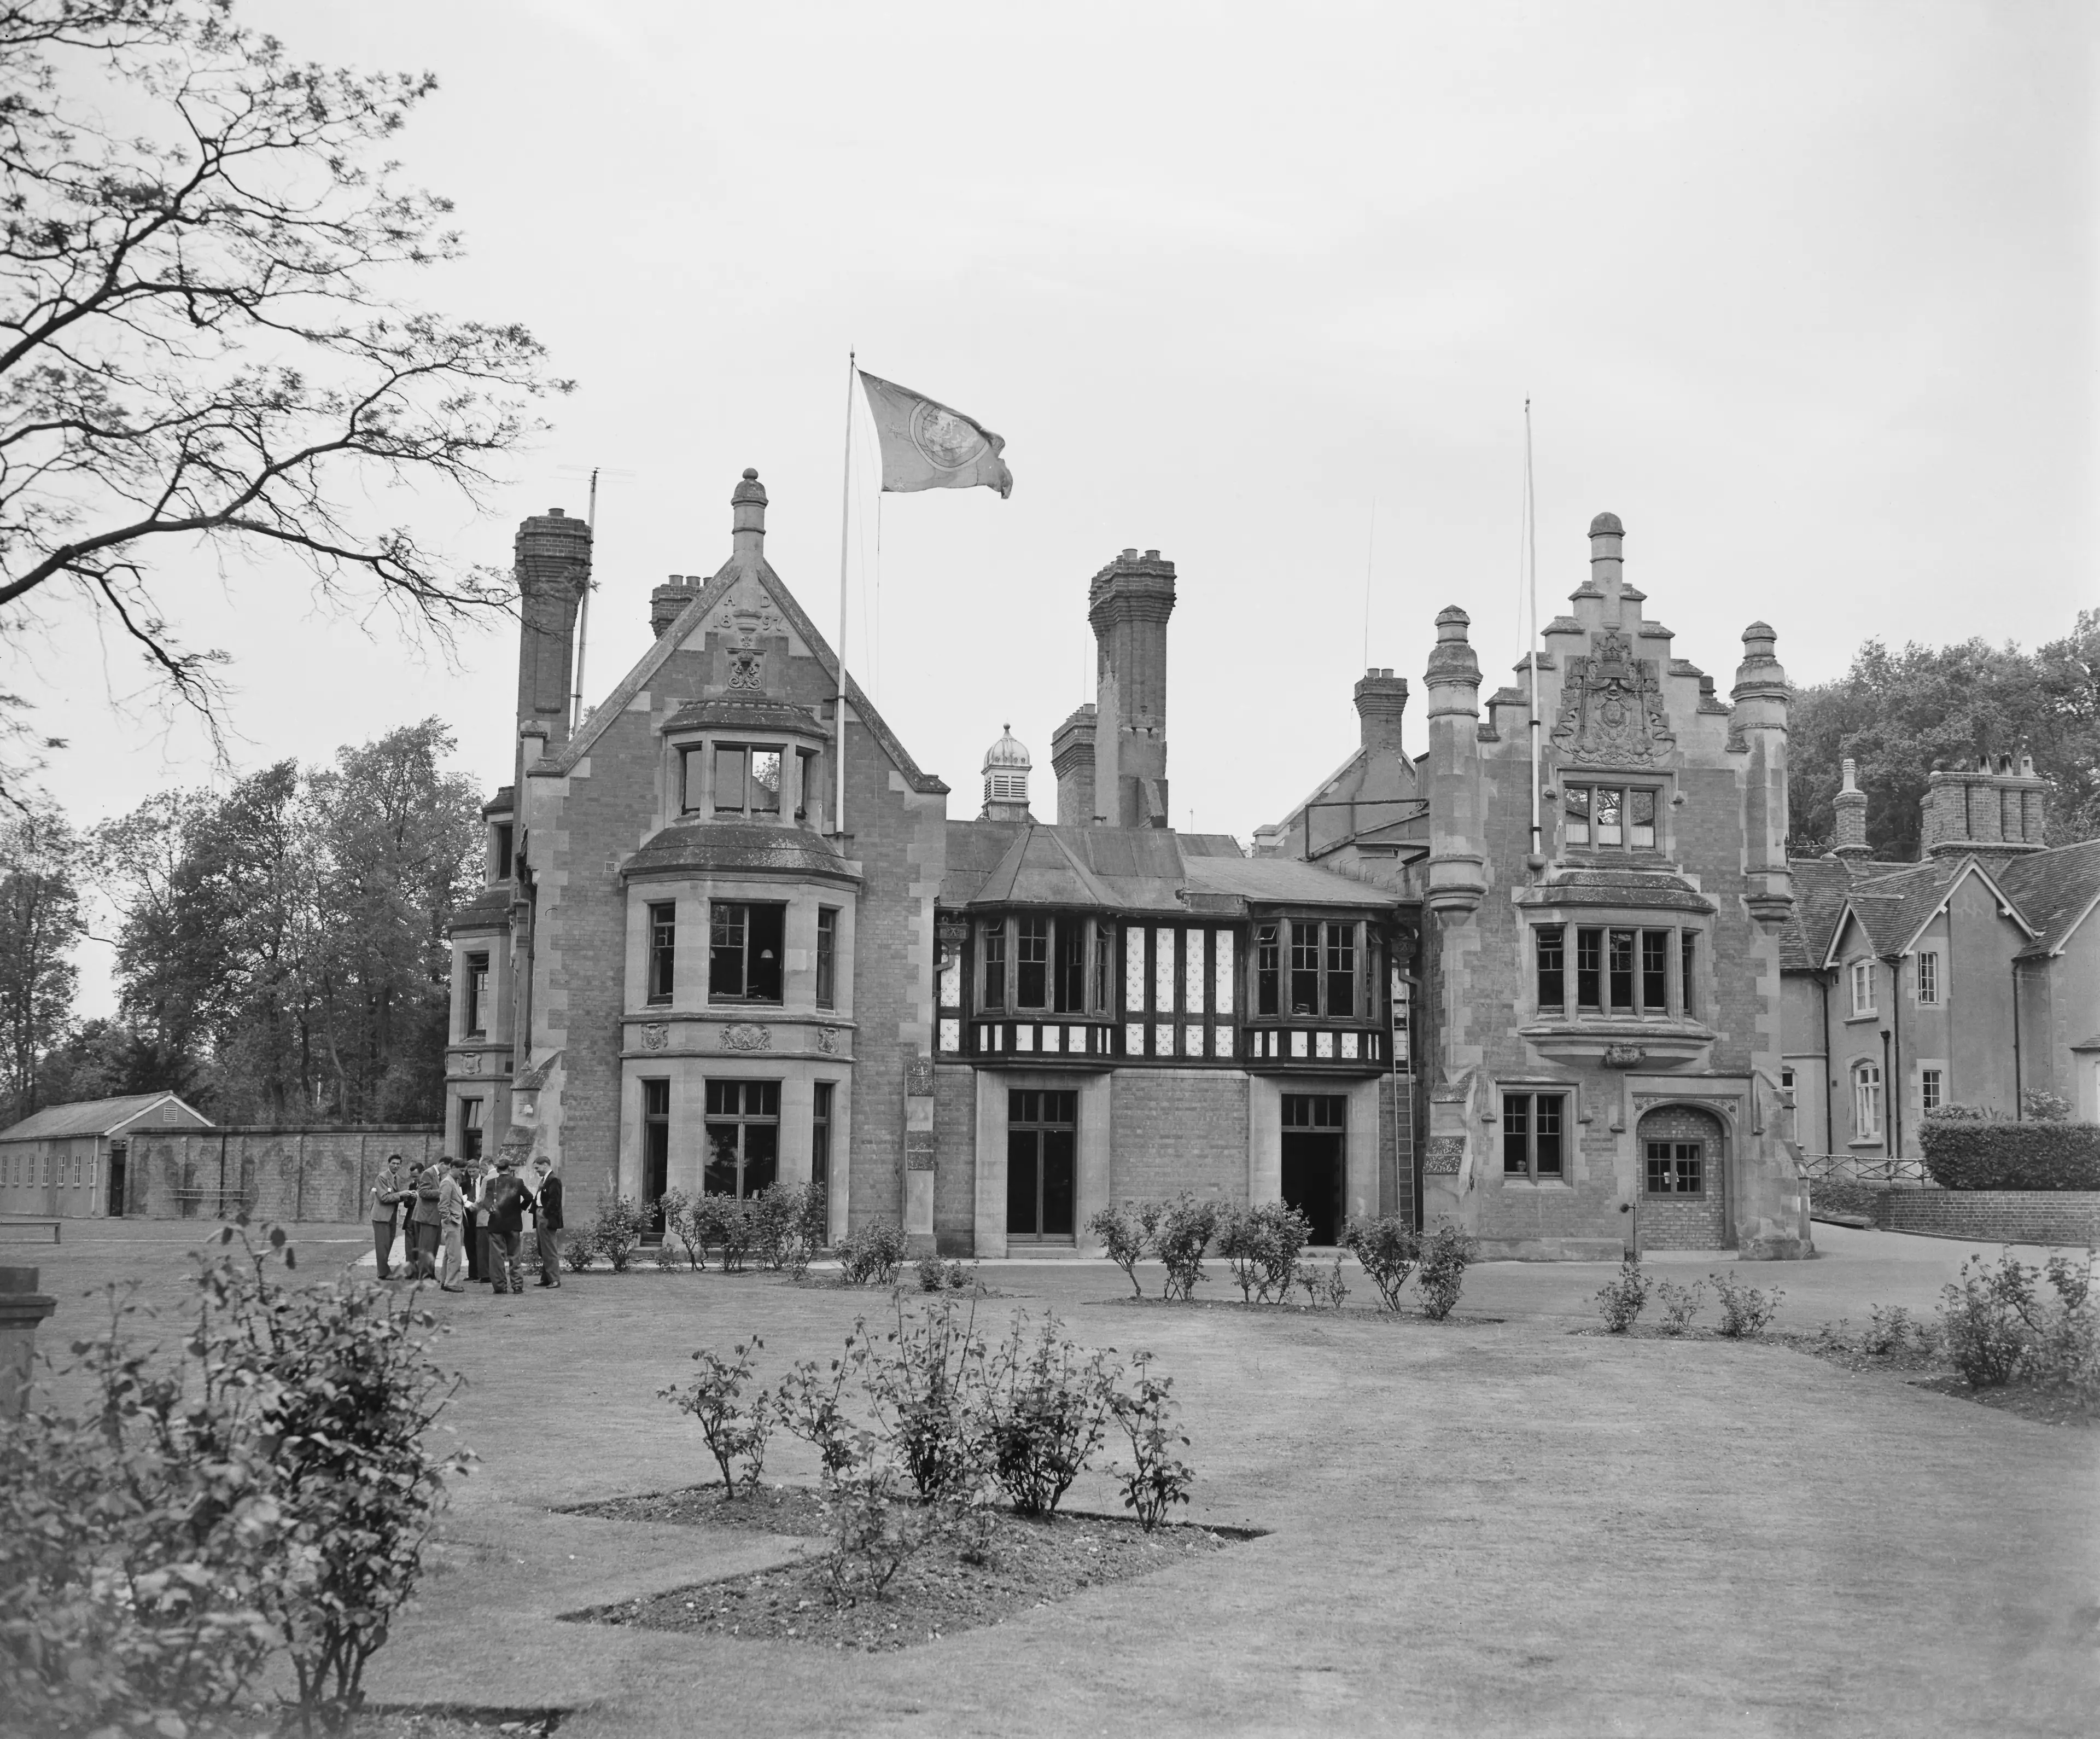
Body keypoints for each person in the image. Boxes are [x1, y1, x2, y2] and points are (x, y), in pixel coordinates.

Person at [484, 1157, 529, 1295]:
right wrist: (520, 1208)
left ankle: (500, 1287)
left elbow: (486, 1202)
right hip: (514, 1223)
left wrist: (490, 1208)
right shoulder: (518, 1182)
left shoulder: (492, 1182)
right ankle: (517, 1286)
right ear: (509, 1169)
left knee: (497, 1257)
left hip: (496, 1223)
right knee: (514, 1256)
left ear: (497, 1170)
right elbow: (529, 1197)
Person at [368, 1154, 407, 1278]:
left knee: (388, 1244)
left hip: (391, 1216)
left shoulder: (397, 1178)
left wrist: (408, 1196)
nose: (396, 1166)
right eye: (393, 1163)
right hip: (381, 1217)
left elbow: (397, 1197)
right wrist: (402, 1194)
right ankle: (384, 1273)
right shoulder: (382, 1178)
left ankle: (383, 1272)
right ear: (389, 1164)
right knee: (382, 1246)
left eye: (398, 1164)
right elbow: (384, 1198)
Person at [528, 1157, 564, 1288]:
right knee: (543, 1249)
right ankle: (547, 1278)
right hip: (540, 1214)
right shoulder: (545, 1180)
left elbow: (555, 1201)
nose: (536, 1171)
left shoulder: (554, 1180)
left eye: (537, 1168)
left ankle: (555, 1280)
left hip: (546, 1217)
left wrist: (545, 1214)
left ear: (545, 1165)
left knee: (549, 1249)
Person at [409, 1161, 444, 1282]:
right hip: (427, 1217)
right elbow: (423, 1192)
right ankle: (424, 1276)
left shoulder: (437, 1175)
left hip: (434, 1216)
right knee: (426, 1248)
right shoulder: (429, 1173)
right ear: (443, 1164)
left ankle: (430, 1274)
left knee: (433, 1248)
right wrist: (442, 1192)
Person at [438, 1160, 468, 1292]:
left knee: (449, 1254)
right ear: (453, 1168)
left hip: (457, 1221)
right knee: (455, 1256)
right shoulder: (447, 1182)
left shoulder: (454, 1181)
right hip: (452, 1223)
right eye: (461, 1170)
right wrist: (448, 1220)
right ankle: (451, 1283)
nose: (463, 1173)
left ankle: (445, 1281)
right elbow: (443, 1205)